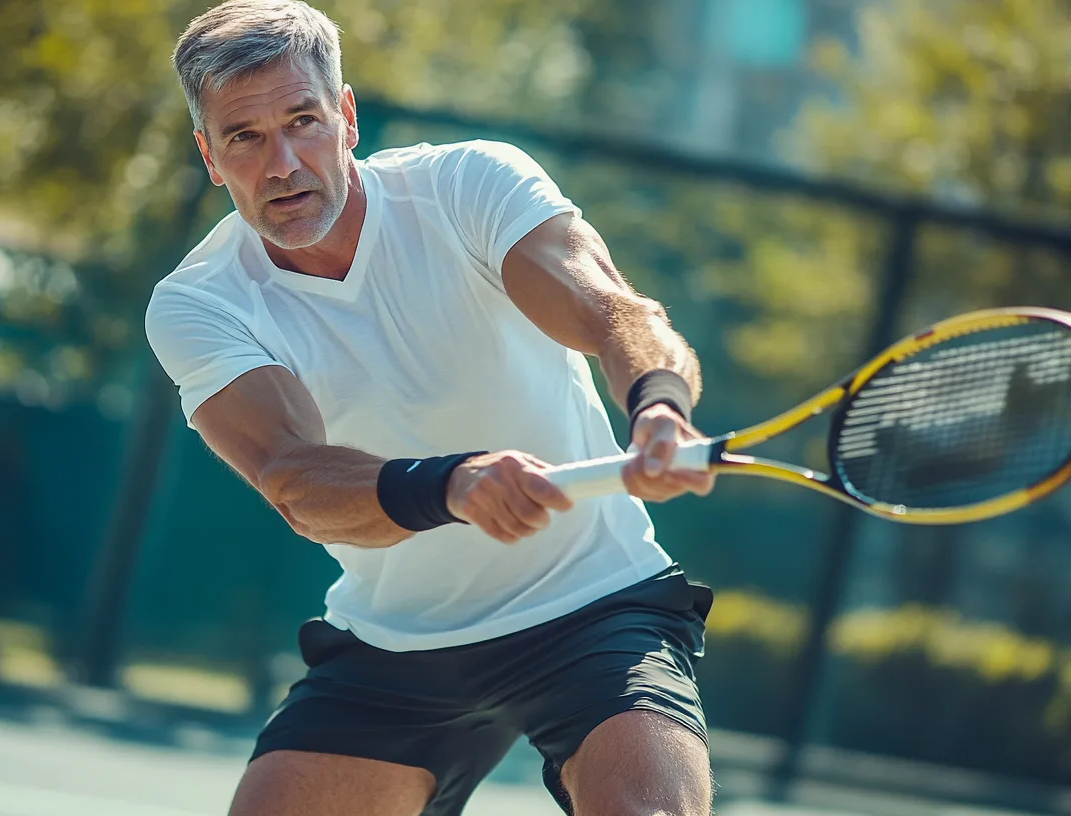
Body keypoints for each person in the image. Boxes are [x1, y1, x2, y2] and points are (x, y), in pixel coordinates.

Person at [146, 2, 717, 814]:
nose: (282, 163)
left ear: (344, 117)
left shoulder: (468, 185)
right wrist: (451, 485)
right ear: (209, 155)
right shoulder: (199, 304)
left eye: (303, 121)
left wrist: (658, 406)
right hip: (395, 648)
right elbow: (293, 476)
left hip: (594, 607)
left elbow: (612, 313)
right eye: (245, 136)